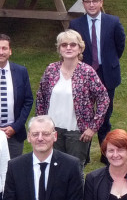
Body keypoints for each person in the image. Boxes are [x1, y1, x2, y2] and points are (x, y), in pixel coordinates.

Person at [35, 29, 109, 166]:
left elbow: (104, 99)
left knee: (75, 171)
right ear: (59, 48)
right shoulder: (51, 70)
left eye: (73, 44)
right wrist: (39, 125)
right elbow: (41, 97)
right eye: (64, 45)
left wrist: (93, 127)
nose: (68, 47)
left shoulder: (87, 72)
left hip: (77, 132)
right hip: (52, 131)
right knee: (53, 169)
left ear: (80, 48)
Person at [68, 0, 125, 140]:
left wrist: (109, 61)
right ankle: (83, 152)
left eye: (95, 1)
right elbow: (72, 48)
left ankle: (105, 153)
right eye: (88, 2)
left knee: (105, 116)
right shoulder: (75, 25)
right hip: (84, 74)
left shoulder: (113, 22)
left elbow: (120, 45)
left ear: (101, 2)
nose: (91, 5)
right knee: (83, 115)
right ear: (83, 4)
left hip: (107, 73)